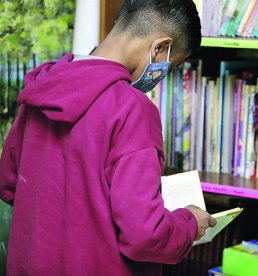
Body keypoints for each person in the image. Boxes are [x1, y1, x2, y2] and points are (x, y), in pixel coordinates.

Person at [0, 0, 216, 275]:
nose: (163, 75)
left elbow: (9, 184)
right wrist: (187, 224)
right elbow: (144, 234)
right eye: (170, 66)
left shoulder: (43, 87)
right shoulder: (132, 108)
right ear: (159, 47)